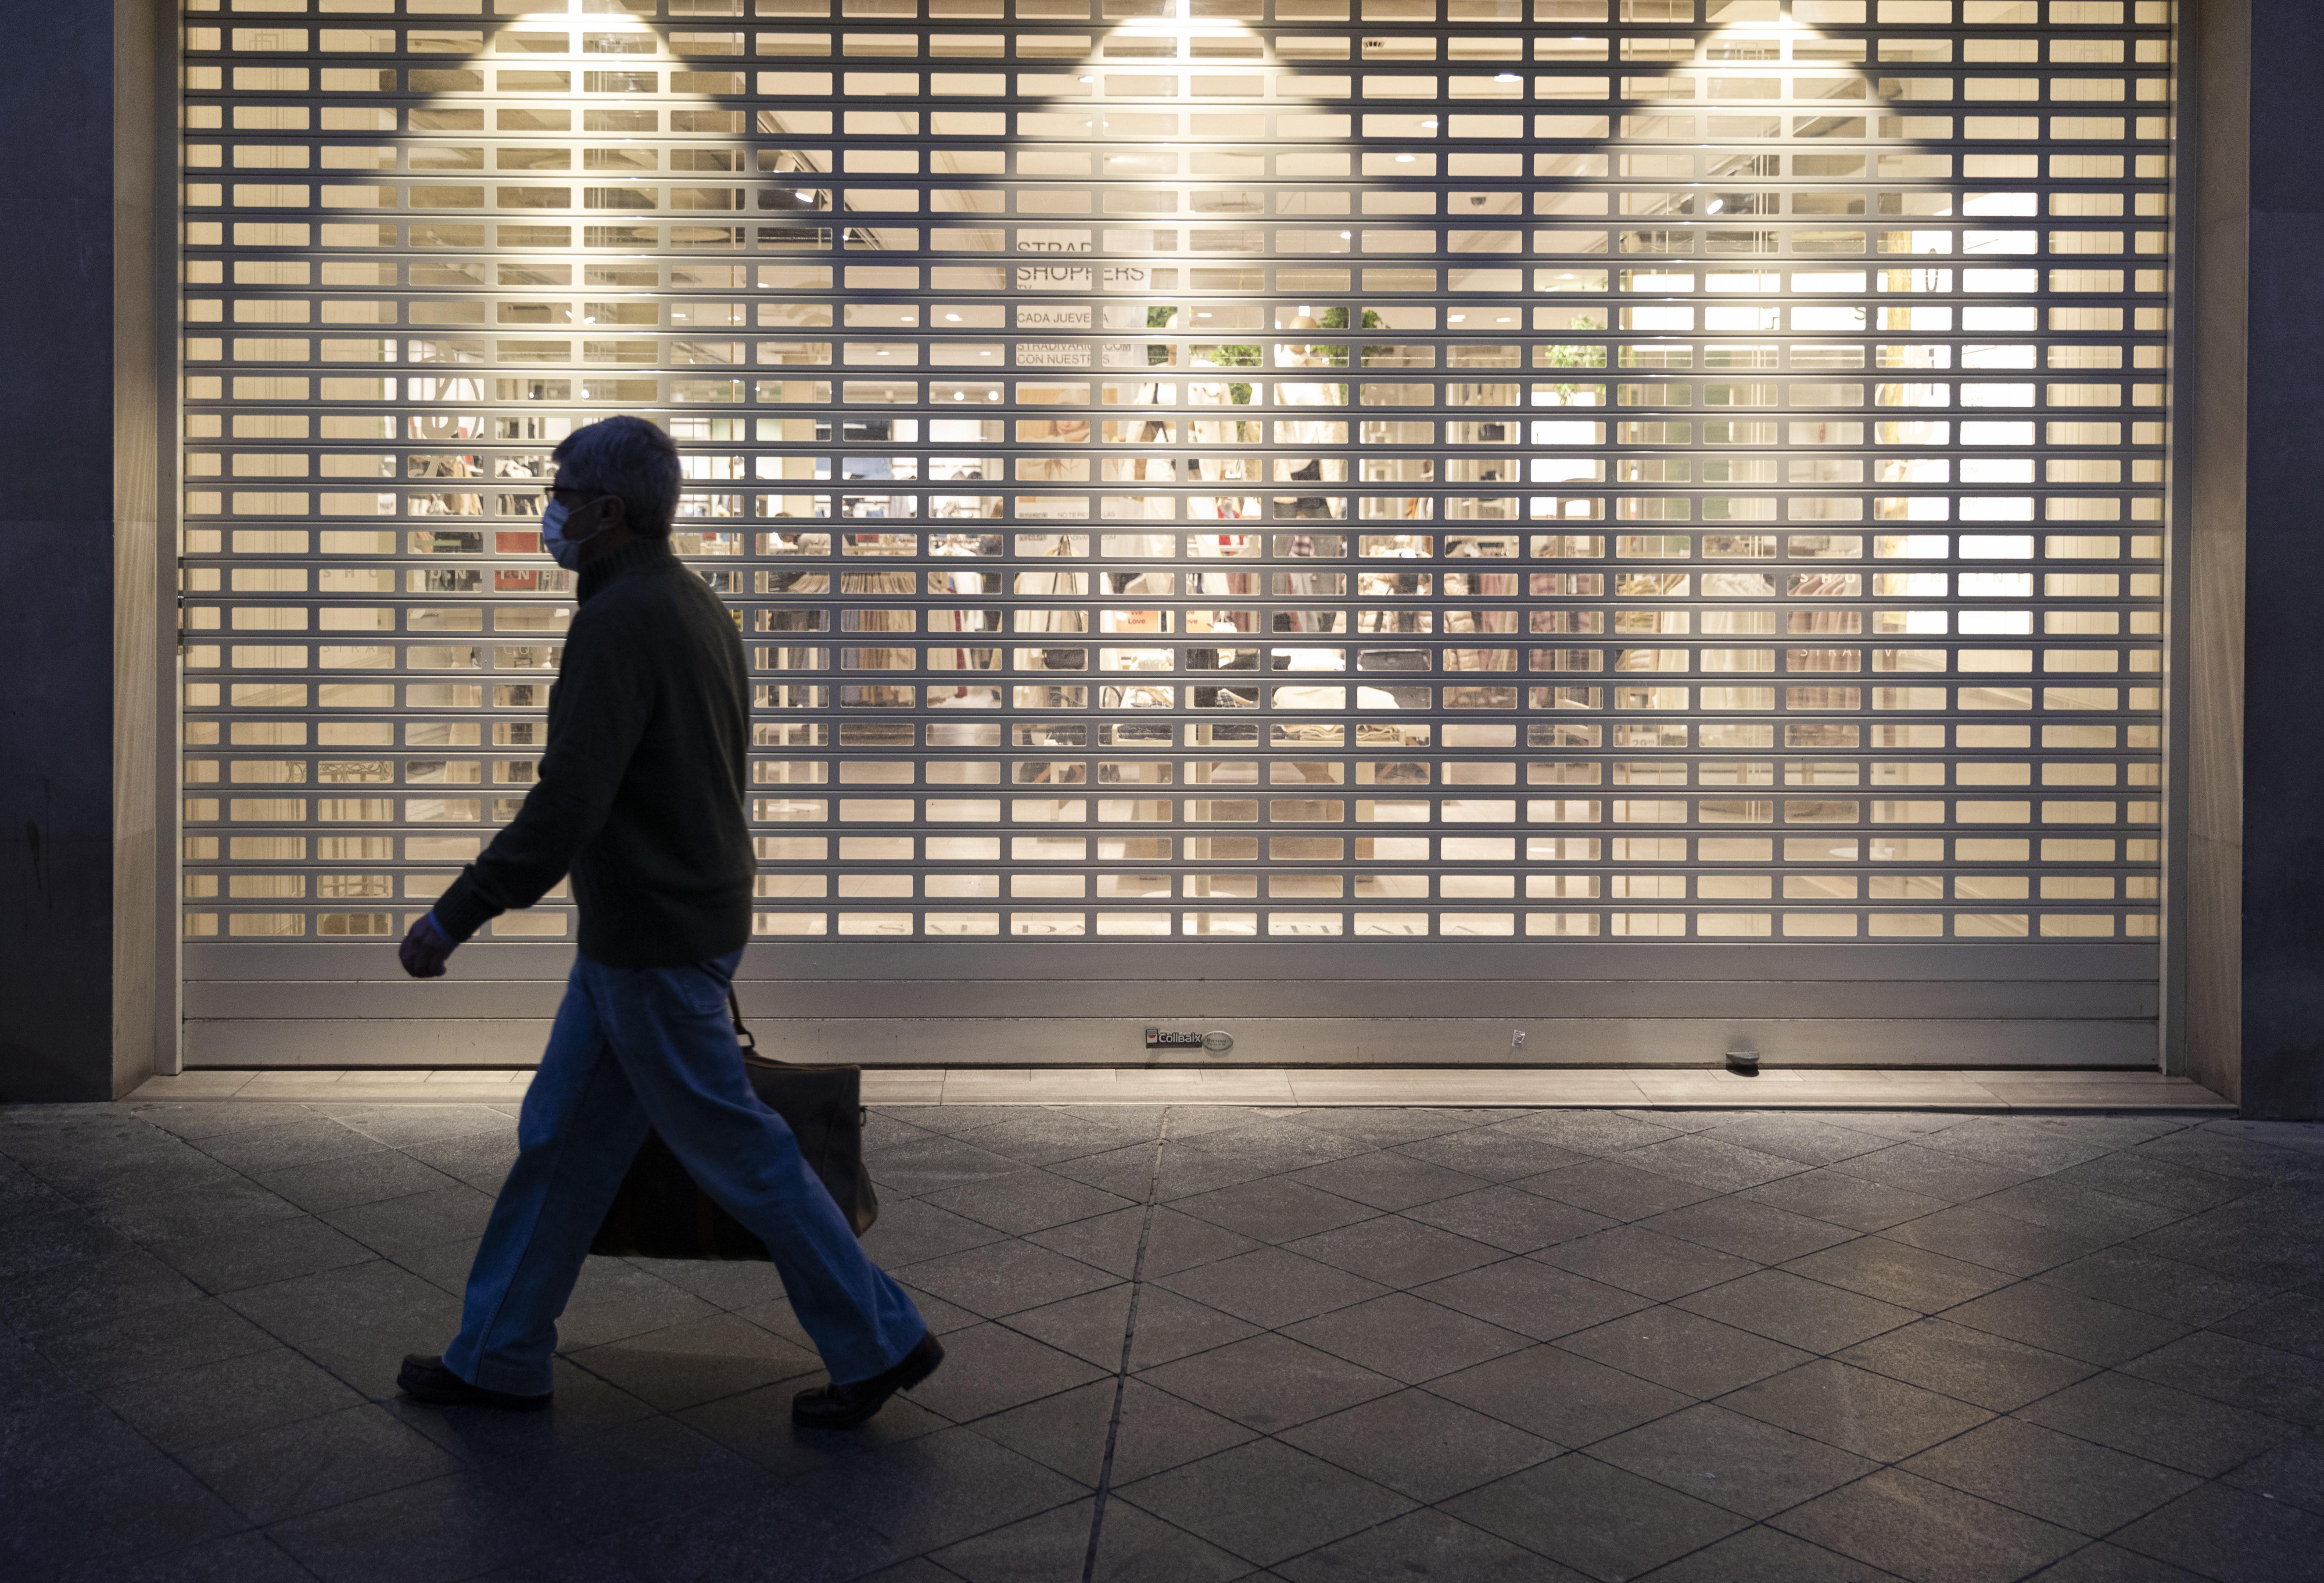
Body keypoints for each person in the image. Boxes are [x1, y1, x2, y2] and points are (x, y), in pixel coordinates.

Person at [392, 415, 939, 1426]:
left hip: (653, 938)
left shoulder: (621, 622)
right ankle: (498, 1353)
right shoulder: (690, 605)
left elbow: (567, 803)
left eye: (560, 492)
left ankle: (880, 1339)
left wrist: (454, 913)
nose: (548, 510)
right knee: (562, 1144)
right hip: (659, 925)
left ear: (609, 509)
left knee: (742, 1152)